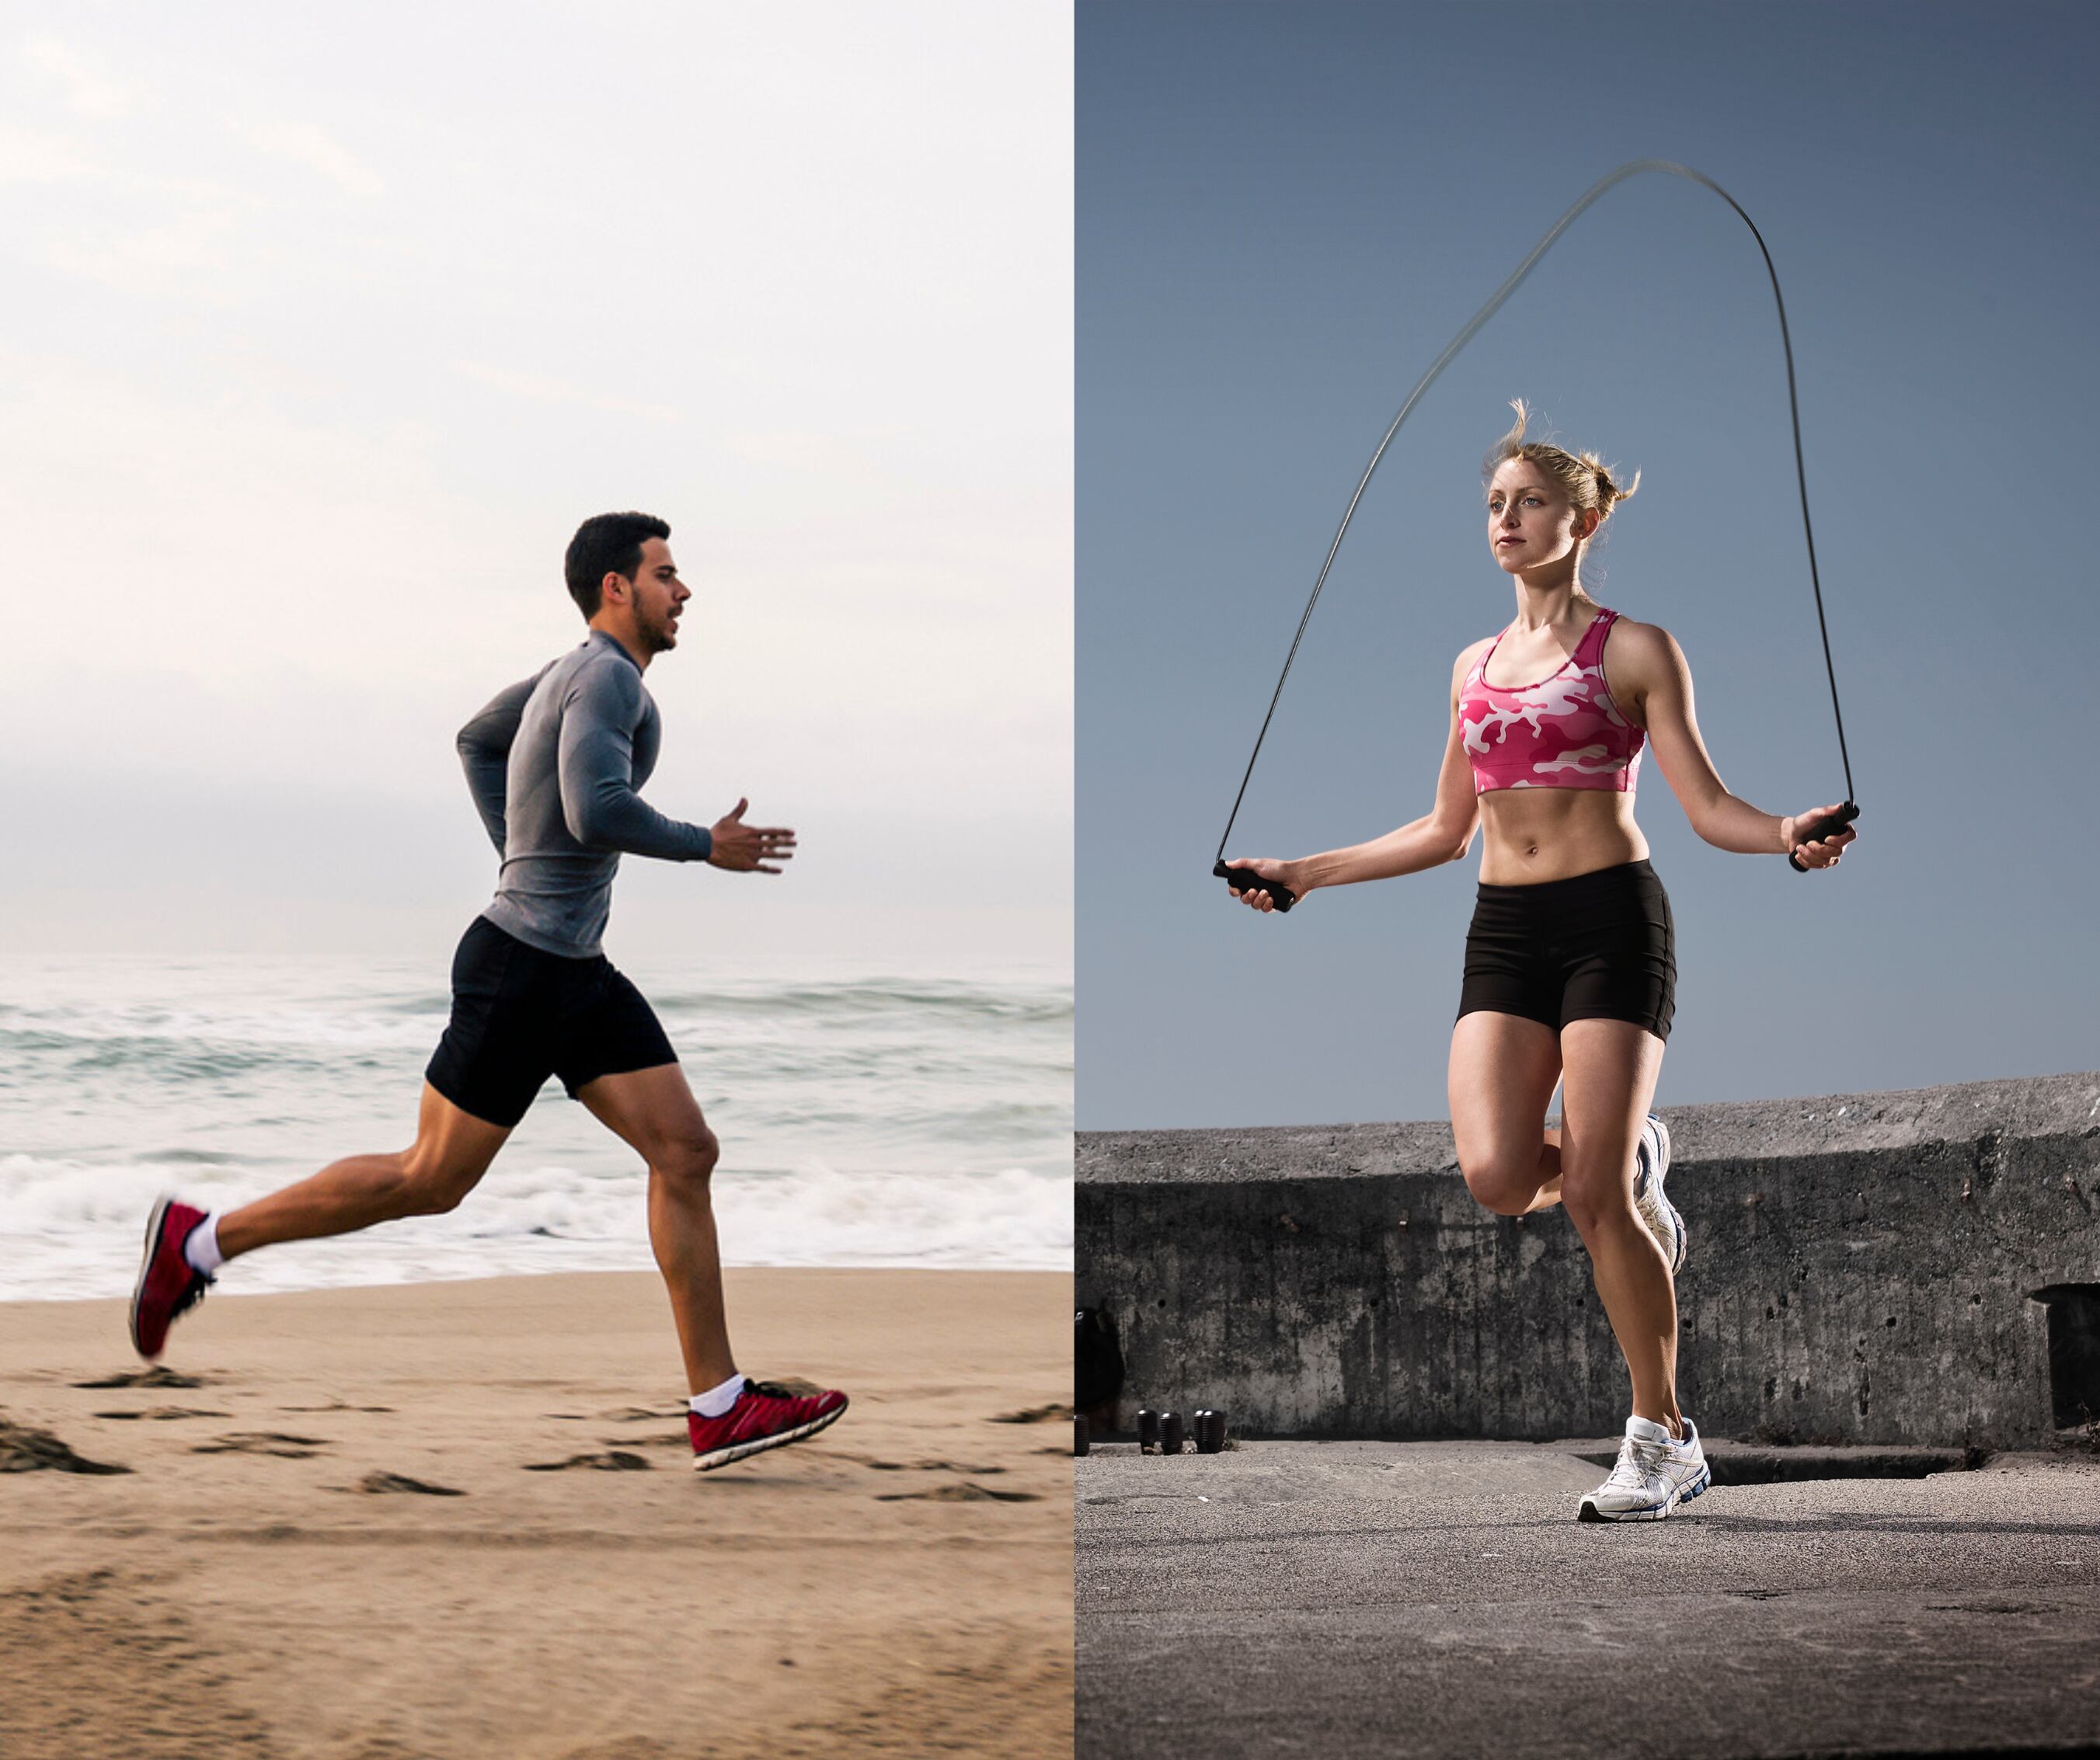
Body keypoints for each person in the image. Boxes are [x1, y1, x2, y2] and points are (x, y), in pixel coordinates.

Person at [1224, 405, 1855, 1522]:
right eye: (1491, 503)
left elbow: (1706, 806)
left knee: (1594, 1200)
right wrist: (1304, 870)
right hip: (1503, 933)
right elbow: (1440, 829)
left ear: (1584, 516)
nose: (1502, 519)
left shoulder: (1634, 649)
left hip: (1611, 919)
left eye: (1525, 501)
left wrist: (1786, 832)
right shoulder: (1471, 664)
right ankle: (1627, 1161)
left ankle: (1660, 1438)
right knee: (1499, 1176)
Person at [130, 511, 848, 1473]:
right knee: (428, 1179)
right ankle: (200, 1242)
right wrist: (698, 844)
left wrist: (520, 855)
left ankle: (719, 1406)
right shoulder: (606, 680)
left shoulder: (566, 675)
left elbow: (477, 742)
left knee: (685, 1149)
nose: (684, 592)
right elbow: (596, 808)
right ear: (615, 587)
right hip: (523, 970)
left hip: (571, 971)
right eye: (667, 574)